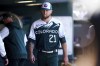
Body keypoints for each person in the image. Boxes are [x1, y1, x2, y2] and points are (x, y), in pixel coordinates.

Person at [28, 2, 68, 66]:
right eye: (43, 10)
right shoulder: (35, 24)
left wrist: (65, 56)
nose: (45, 12)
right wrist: (31, 54)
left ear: (51, 11)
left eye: (47, 10)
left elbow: (63, 41)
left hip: (53, 55)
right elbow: (31, 41)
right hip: (41, 54)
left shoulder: (58, 23)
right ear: (41, 11)